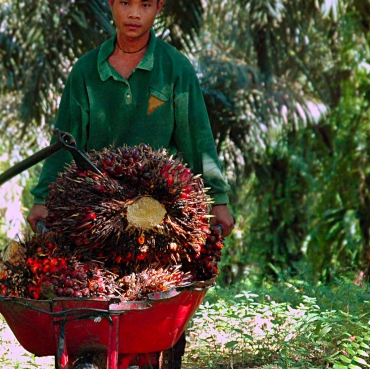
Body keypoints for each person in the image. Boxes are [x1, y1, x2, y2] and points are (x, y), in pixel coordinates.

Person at [26, 0, 234, 367]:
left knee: (157, 303)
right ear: (111, 4)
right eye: (125, 3)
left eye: (145, 4)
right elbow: (64, 143)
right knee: (91, 300)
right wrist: (42, 198)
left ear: (159, 7)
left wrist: (218, 200)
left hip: (160, 217)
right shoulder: (86, 71)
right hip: (95, 214)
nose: (134, 13)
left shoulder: (175, 69)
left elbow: (197, 138)